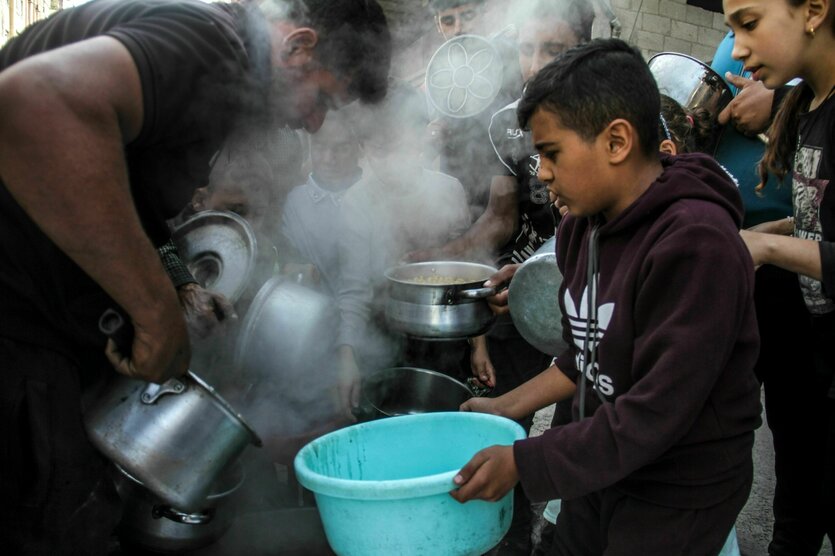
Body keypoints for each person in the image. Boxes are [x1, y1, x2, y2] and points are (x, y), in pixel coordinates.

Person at [0, 0, 391, 552]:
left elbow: (125, 192)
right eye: (323, 98)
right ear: (299, 47)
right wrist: (156, 316)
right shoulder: (211, 42)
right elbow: (33, 106)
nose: (315, 122)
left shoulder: (221, 73)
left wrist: (179, 281)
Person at [450, 38, 762, 556]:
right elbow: (584, 357)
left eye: (551, 153)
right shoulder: (581, 230)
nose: (542, 171)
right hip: (604, 460)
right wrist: (500, 410)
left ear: (617, 141)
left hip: (677, 490)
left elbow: (656, 412)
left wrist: (526, 462)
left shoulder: (698, 246)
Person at [727, 0, 835, 553]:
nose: (739, 49)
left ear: (814, 10)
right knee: (796, 506)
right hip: (813, 353)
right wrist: (764, 234)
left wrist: (768, 245)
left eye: (748, 23)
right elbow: (821, 218)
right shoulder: (810, 104)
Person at [335, 81, 471, 420]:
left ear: (422, 138)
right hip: (383, 338)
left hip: (447, 336)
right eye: (377, 149)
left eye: (398, 145)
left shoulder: (449, 191)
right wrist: (347, 354)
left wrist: (479, 345)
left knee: (444, 422)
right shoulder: (356, 201)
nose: (389, 160)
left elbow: (467, 273)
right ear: (364, 148)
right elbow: (354, 288)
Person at [425, 0, 522, 219]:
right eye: (448, 21)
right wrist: (432, 137)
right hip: (461, 201)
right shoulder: (436, 77)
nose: (460, 28)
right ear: (438, 25)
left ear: (483, 14)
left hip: (517, 200)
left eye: (468, 16)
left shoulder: (513, 58)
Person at [281, 109, 364, 297]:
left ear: (359, 147)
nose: (329, 159)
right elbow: (284, 260)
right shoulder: (295, 202)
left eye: (341, 148)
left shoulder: (376, 198)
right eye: (319, 147)